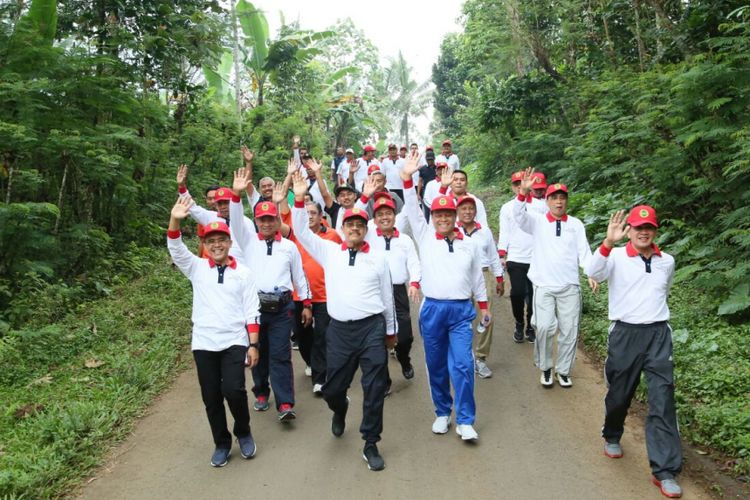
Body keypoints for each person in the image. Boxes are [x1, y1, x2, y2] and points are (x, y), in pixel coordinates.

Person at [291, 172, 396, 471]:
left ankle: (370, 442)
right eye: (349, 224)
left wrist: (390, 331)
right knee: (332, 388)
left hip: (371, 328)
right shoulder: (329, 252)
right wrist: (299, 199)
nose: (354, 229)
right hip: (339, 330)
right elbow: (301, 230)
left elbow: (387, 297)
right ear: (343, 228)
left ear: (366, 230)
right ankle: (340, 408)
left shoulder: (378, 259)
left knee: (374, 387)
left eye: (359, 225)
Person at [585, 206, 683, 499]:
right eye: (638, 227)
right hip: (625, 333)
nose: (643, 232)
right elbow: (592, 272)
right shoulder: (614, 257)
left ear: (655, 230)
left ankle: (664, 470)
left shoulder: (667, 261)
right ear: (629, 229)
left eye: (648, 227)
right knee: (620, 393)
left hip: (658, 334)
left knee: (662, 398)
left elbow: (663, 290)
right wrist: (608, 243)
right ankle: (612, 434)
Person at [399, 151, 488, 441]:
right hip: (433, 310)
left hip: (461, 310)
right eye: (438, 214)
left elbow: (476, 277)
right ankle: (442, 412)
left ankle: (465, 420)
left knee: (462, 364)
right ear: (433, 217)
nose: (443, 219)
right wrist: (407, 178)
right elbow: (413, 209)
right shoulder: (424, 236)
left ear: (455, 217)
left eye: (448, 214)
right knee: (436, 365)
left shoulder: (469, 244)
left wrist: (484, 305)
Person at [167, 197, 260, 467]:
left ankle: (243, 431)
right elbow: (175, 247)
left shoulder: (243, 273)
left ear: (230, 243)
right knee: (211, 397)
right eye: (211, 241)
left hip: (234, 340)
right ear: (205, 246)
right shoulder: (196, 268)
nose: (217, 245)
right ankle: (221, 442)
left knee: (234, 390)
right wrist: (175, 219)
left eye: (221, 240)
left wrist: (253, 345)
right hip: (204, 342)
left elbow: (252, 311)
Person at [229, 169, 311, 422]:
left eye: (270, 219)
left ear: (277, 220)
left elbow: (299, 276)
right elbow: (234, 220)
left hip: (283, 308)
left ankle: (285, 402)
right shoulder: (247, 242)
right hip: (254, 307)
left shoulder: (288, 247)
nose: (266, 223)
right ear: (255, 221)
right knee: (257, 350)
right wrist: (236, 194)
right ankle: (261, 391)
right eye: (261, 219)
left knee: (281, 354)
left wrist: (306, 303)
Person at [515, 168, 594, 388]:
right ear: (547, 201)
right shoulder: (537, 221)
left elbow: (584, 253)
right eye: (554, 198)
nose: (559, 202)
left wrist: (591, 272)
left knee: (570, 330)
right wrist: (523, 192)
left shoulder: (576, 225)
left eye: (562, 198)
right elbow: (518, 217)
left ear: (566, 201)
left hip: (570, 286)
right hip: (543, 285)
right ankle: (546, 367)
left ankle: (564, 370)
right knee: (544, 327)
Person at [276, 181, 343, 395]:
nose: (310, 216)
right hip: (298, 295)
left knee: (322, 335)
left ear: (321, 215)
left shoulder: (332, 235)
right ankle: (311, 362)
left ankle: (320, 378)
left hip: (324, 296)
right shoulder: (296, 234)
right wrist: (278, 203)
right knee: (303, 337)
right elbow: (277, 225)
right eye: (306, 213)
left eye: (313, 212)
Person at [366, 195, 421, 380]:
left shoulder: (405, 240)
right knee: (377, 338)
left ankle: (404, 358)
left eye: (388, 213)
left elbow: (414, 262)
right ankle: (385, 380)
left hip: (398, 291)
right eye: (380, 214)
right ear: (374, 219)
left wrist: (414, 283)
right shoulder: (368, 236)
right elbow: (344, 225)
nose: (384, 217)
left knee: (405, 336)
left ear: (394, 215)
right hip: (374, 291)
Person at [455, 195, 505, 379]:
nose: (467, 212)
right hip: (460, 276)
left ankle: (480, 358)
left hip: (484, 275)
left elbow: (493, 256)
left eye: (470, 209)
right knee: (460, 317)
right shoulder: (452, 231)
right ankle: (462, 356)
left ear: (475, 212)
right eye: (463, 209)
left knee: (486, 318)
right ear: (457, 212)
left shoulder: (484, 232)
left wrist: (499, 278)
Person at [176, 164, 248, 265]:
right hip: (215, 267)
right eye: (220, 203)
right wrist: (182, 186)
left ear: (232, 202)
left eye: (226, 202)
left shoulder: (245, 221)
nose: (223, 206)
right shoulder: (210, 217)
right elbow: (191, 206)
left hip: (240, 268)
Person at [498, 170, 536, 343]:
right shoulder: (507, 208)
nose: (520, 186)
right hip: (516, 257)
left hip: (536, 258)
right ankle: (519, 322)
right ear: (513, 187)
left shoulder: (540, 206)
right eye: (516, 184)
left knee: (535, 295)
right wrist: (502, 254)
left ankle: (531, 326)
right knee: (517, 293)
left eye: (523, 182)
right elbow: (504, 231)